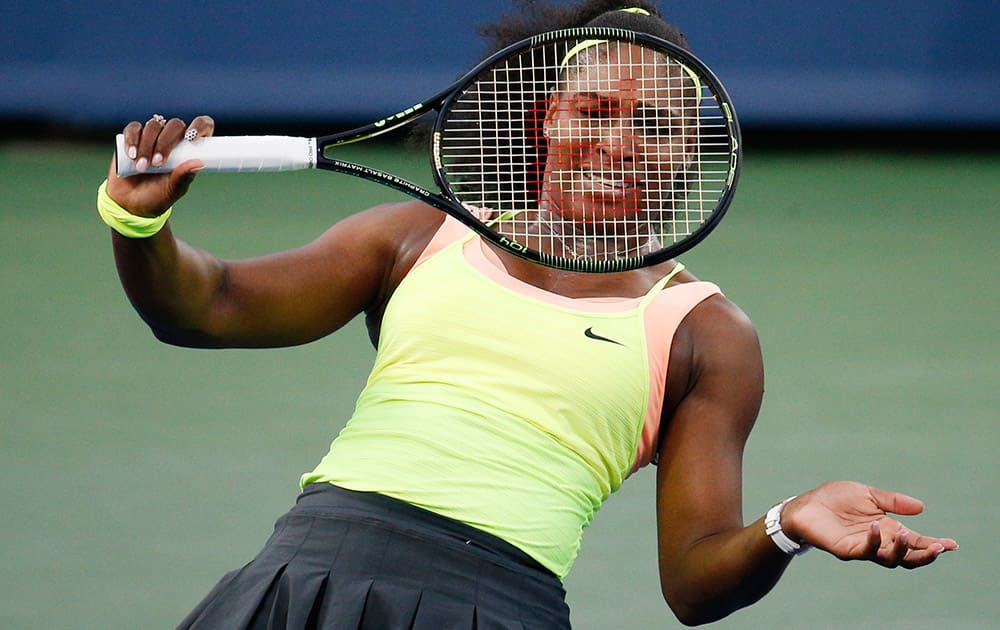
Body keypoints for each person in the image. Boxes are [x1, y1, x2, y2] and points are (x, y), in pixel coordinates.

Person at [99, 1, 957, 627]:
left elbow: (693, 584)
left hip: (493, 606)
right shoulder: (418, 237)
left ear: (690, 154)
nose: (618, 144)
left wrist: (785, 524)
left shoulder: (705, 332)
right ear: (546, 119)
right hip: (307, 577)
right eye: (595, 110)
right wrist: (142, 222)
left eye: (655, 127)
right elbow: (203, 306)